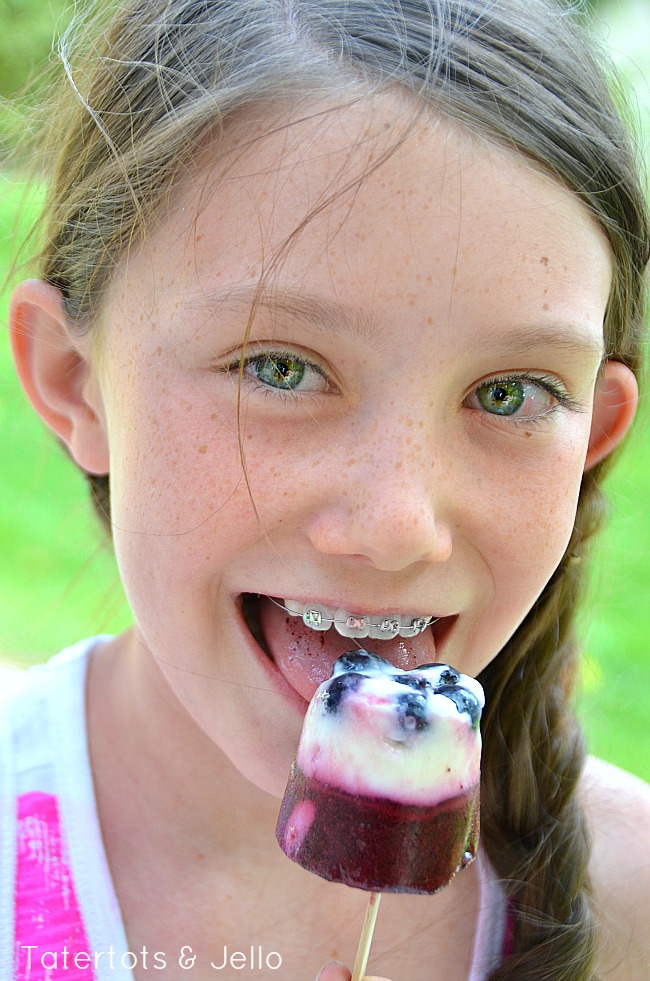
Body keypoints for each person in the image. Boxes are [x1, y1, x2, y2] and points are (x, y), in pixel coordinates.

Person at [2, 0, 649, 978]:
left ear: (595, 436)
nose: (397, 528)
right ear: (72, 381)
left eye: (506, 393)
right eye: (279, 368)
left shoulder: (628, 905)